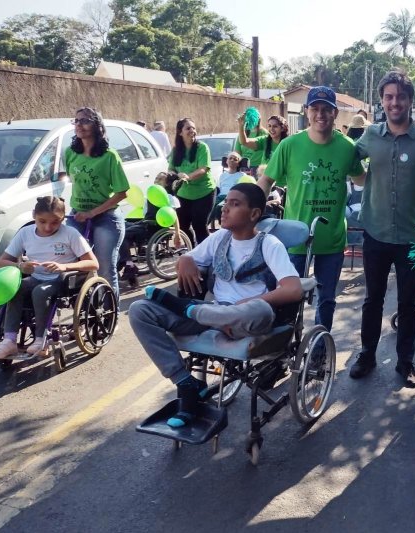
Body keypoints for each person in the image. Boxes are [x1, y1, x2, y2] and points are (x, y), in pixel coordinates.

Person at [129, 183, 303, 428]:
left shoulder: (268, 244)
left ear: (254, 215)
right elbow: (190, 259)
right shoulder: (219, 238)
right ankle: (185, 382)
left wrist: (250, 302)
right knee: (140, 310)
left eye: (235, 204)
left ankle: (191, 309)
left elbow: (293, 289)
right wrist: (186, 259)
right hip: (214, 315)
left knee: (260, 309)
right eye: (225, 202)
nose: (224, 208)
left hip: (246, 321)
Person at [350, 70, 415, 386]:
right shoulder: (369, 137)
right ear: (382, 101)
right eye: (389, 97)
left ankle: (405, 362)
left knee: (408, 304)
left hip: (411, 237)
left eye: (400, 97)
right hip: (375, 233)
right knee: (373, 299)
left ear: (410, 101)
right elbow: (348, 161)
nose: (395, 102)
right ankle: (367, 354)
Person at [259, 86, 365, 332]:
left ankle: (319, 350)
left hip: (332, 239)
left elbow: (362, 180)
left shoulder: (347, 147)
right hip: (295, 238)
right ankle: (286, 345)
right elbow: (266, 181)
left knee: (326, 299)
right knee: (288, 296)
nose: (321, 114)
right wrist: (250, 208)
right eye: (315, 108)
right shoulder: (290, 145)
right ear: (307, 112)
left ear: (335, 113)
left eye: (326, 109)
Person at [0, 196, 99, 359]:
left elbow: (93, 263)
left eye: (55, 222)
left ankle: (41, 339)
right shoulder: (25, 233)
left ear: (62, 219)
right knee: (14, 289)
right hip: (36, 277)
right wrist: (20, 266)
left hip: (63, 280)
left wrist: (64, 266)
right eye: (42, 221)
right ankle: (9, 340)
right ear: (33, 215)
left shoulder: (70, 234)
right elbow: (1, 262)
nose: (48, 227)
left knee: (40, 292)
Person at [65, 107, 130, 298]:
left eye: (85, 121)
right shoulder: (70, 153)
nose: (79, 125)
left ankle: (110, 315)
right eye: (76, 121)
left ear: (97, 125)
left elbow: (121, 193)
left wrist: (92, 213)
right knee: (72, 263)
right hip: (77, 216)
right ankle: (83, 308)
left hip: (106, 218)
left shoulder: (109, 156)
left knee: (105, 269)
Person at [119, 172, 183, 288]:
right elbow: (145, 214)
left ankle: (128, 264)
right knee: (119, 227)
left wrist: (177, 233)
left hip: (155, 228)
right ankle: (124, 262)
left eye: (160, 179)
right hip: (145, 223)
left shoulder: (169, 198)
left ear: (167, 184)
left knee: (123, 234)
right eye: (156, 178)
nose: (156, 181)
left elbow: (173, 216)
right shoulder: (150, 197)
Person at [169, 117, 215, 246]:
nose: (192, 131)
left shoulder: (202, 147)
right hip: (184, 193)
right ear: (180, 132)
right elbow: (171, 169)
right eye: (188, 128)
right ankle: (193, 251)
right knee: (183, 225)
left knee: (199, 225)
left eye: (193, 128)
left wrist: (188, 177)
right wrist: (177, 174)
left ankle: (207, 254)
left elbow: (203, 169)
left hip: (204, 192)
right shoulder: (175, 150)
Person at [236, 111, 269, 177]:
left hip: (258, 167)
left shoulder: (264, 133)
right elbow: (238, 152)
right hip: (244, 167)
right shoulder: (242, 134)